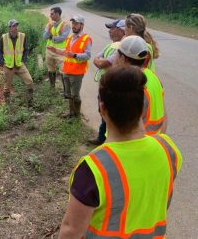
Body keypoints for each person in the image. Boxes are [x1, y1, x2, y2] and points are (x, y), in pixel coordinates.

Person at [58, 66, 182, 238]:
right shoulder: (168, 150)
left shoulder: (93, 169)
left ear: (102, 108)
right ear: (144, 109)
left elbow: (71, 231)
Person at [114, 35, 167, 135]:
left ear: (122, 58)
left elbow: (123, 127)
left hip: (137, 144)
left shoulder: (129, 84)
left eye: (116, 53)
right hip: (155, 142)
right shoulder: (153, 77)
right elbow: (164, 113)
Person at [47, 14, 92, 118]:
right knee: (68, 94)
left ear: (82, 25)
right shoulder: (70, 38)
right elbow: (66, 52)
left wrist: (75, 55)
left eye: (76, 23)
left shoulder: (86, 38)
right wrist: (56, 50)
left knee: (75, 95)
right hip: (66, 70)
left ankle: (77, 116)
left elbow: (87, 55)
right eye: (73, 23)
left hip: (77, 72)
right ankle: (71, 113)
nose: (73, 26)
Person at [89, 19, 125, 145]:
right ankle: (101, 138)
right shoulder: (111, 45)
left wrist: (101, 62)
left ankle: (107, 141)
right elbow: (96, 60)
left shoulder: (123, 47)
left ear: (121, 31)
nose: (109, 31)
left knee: (109, 115)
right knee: (103, 113)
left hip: (113, 86)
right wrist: (101, 62)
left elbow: (104, 62)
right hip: (105, 85)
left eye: (112, 28)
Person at [0, 19, 34, 106]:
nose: (16, 27)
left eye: (16, 25)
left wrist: (24, 60)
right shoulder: (4, 37)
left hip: (19, 64)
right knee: (7, 88)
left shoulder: (22, 36)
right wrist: (2, 62)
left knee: (30, 81)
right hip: (8, 66)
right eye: (13, 26)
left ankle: (30, 103)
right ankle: (8, 105)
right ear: (9, 28)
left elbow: (26, 49)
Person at [43, 7, 71, 91]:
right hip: (49, 50)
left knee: (63, 71)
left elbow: (62, 38)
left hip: (60, 51)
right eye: (50, 14)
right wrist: (49, 29)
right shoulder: (49, 24)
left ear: (58, 14)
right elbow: (44, 37)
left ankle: (66, 91)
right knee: (51, 69)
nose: (50, 15)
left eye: (52, 14)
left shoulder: (65, 25)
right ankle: (52, 88)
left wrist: (51, 37)